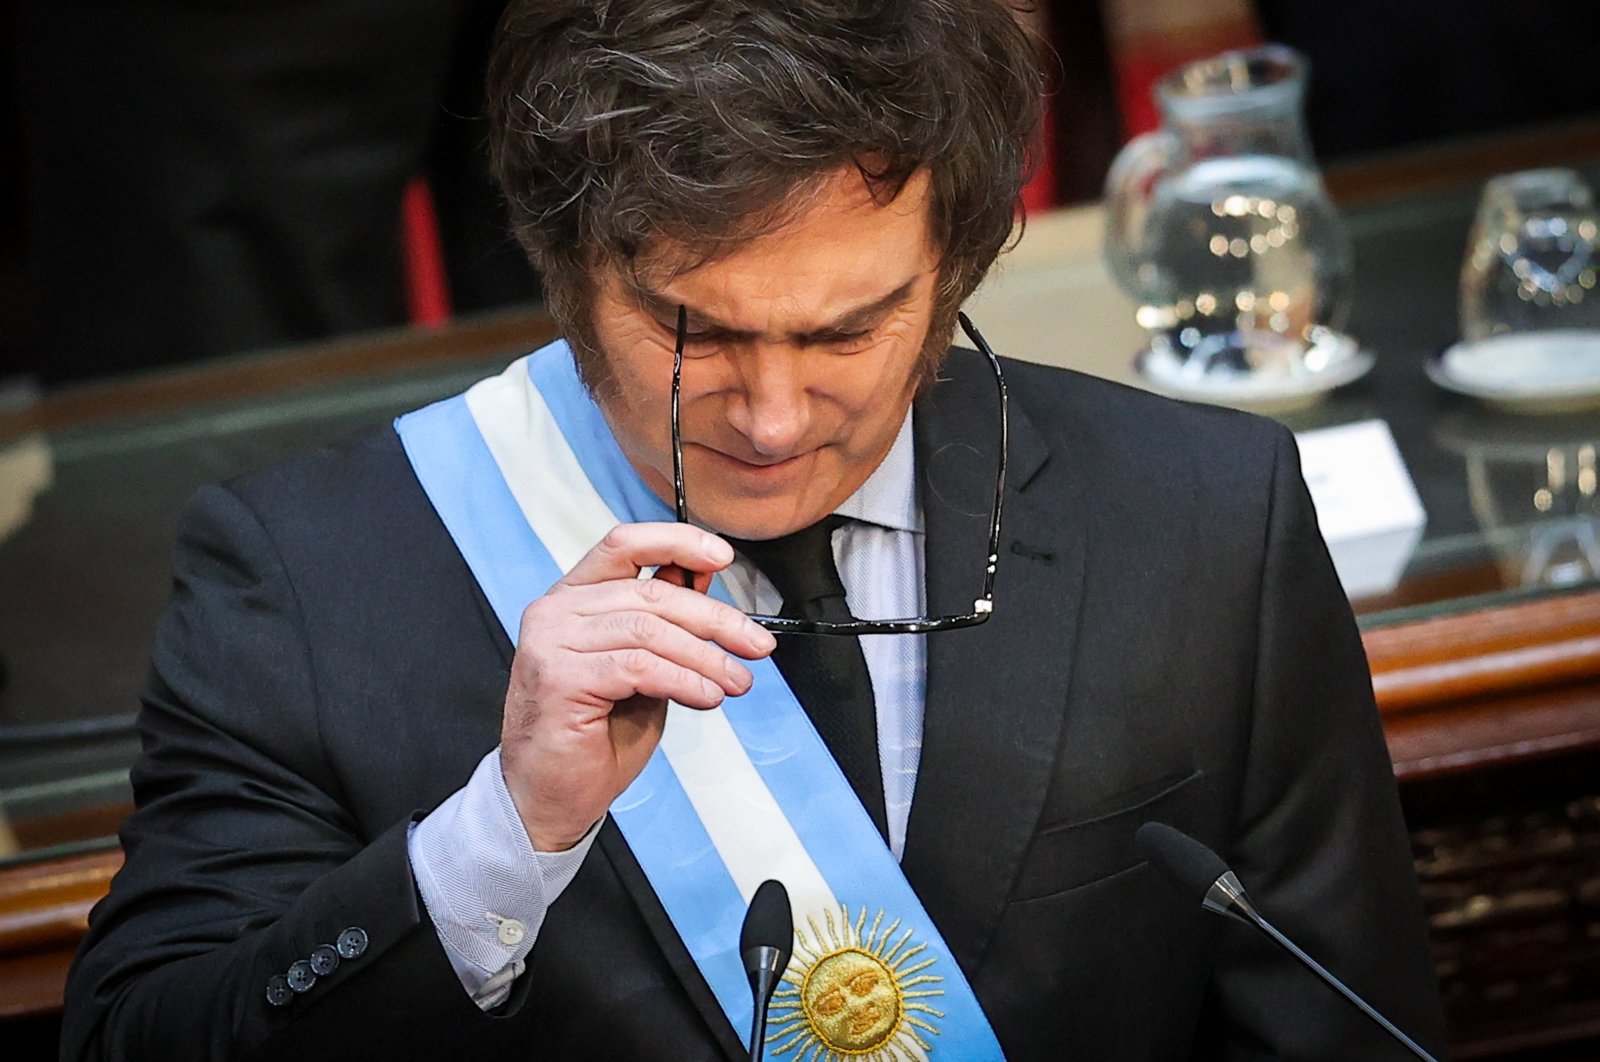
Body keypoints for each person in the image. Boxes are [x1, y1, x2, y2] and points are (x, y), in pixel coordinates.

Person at [62, 1, 1446, 1059]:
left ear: (961, 259)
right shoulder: (302, 577)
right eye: (691, 328)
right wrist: (502, 833)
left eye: (849, 329)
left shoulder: (1205, 518)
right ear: (561, 259)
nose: (775, 420)